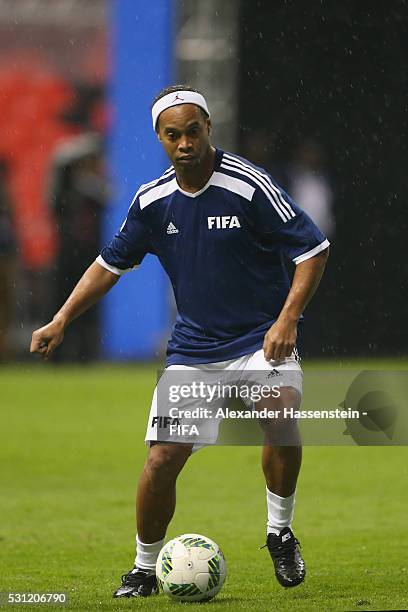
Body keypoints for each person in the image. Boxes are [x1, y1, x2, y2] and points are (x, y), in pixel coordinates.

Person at [30, 85, 330, 598]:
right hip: (194, 350)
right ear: (159, 138)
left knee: (279, 415)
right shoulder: (152, 201)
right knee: (161, 459)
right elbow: (109, 266)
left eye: (194, 131)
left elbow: (313, 248)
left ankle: (279, 532)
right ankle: (145, 569)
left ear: (209, 128)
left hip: (261, 339)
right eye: (174, 135)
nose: (185, 142)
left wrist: (287, 320)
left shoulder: (249, 186)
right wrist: (60, 319)